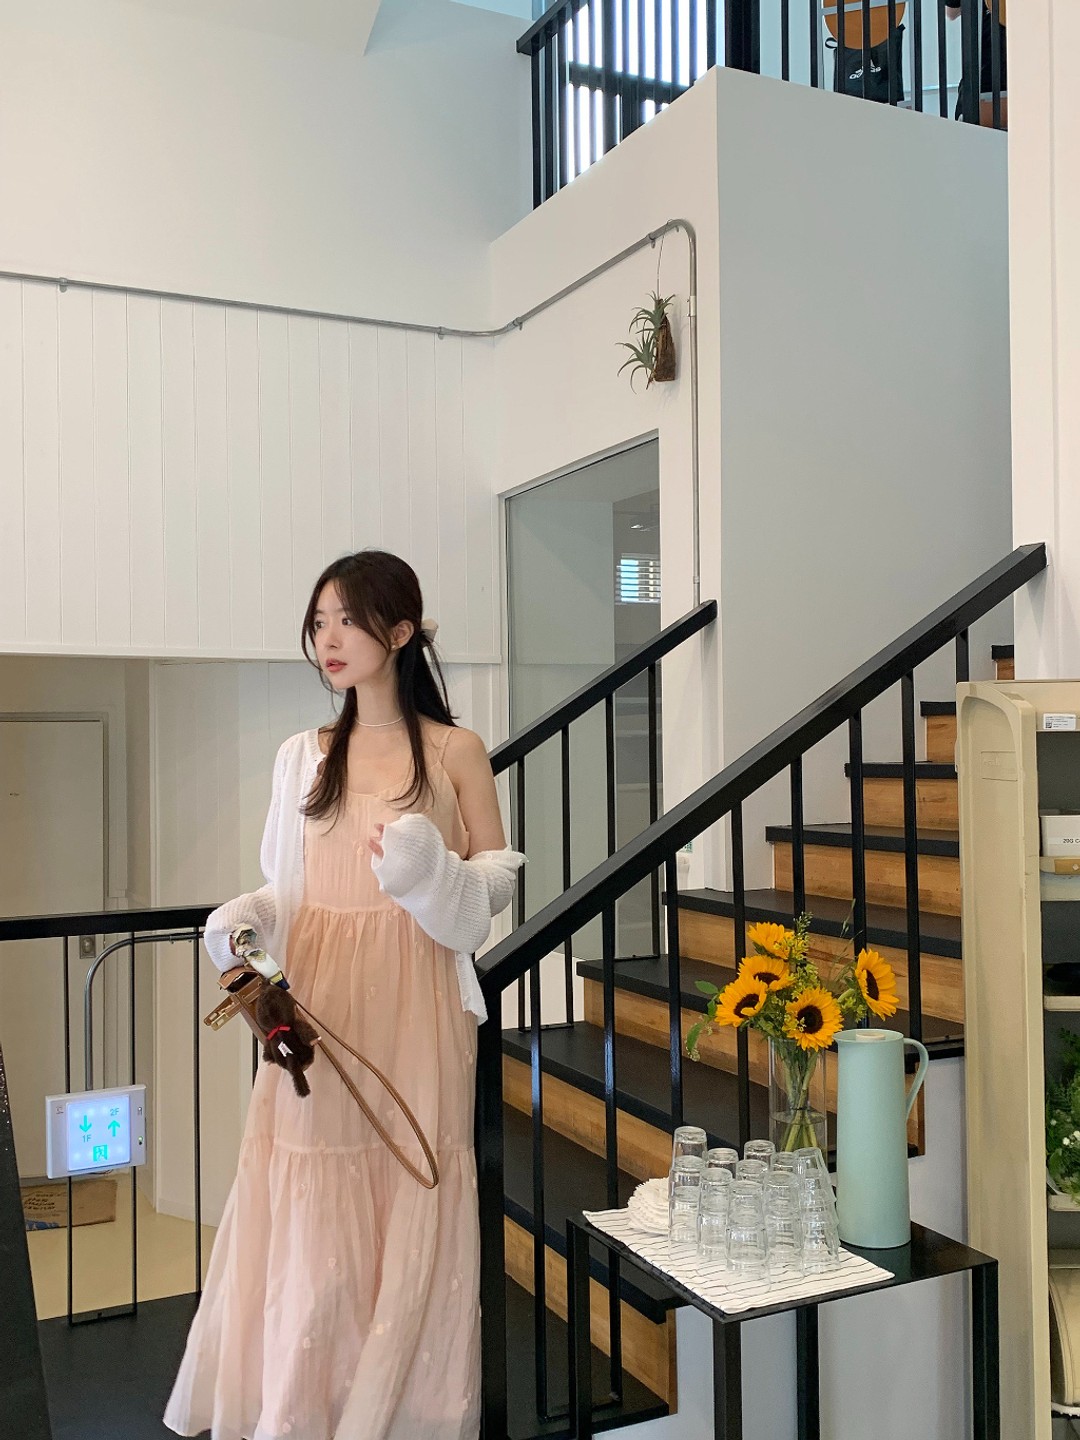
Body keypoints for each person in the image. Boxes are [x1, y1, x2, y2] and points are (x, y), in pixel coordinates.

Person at [164, 549, 524, 1440]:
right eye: (319, 622)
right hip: (320, 996)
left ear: (399, 633)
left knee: (412, 1179)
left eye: (348, 621)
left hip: (418, 997)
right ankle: (300, 1406)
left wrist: (429, 871)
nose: (328, 639)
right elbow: (287, 886)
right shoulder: (304, 755)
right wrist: (249, 918)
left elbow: (496, 882)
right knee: (311, 1189)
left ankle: (401, 1410)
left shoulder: (455, 750)